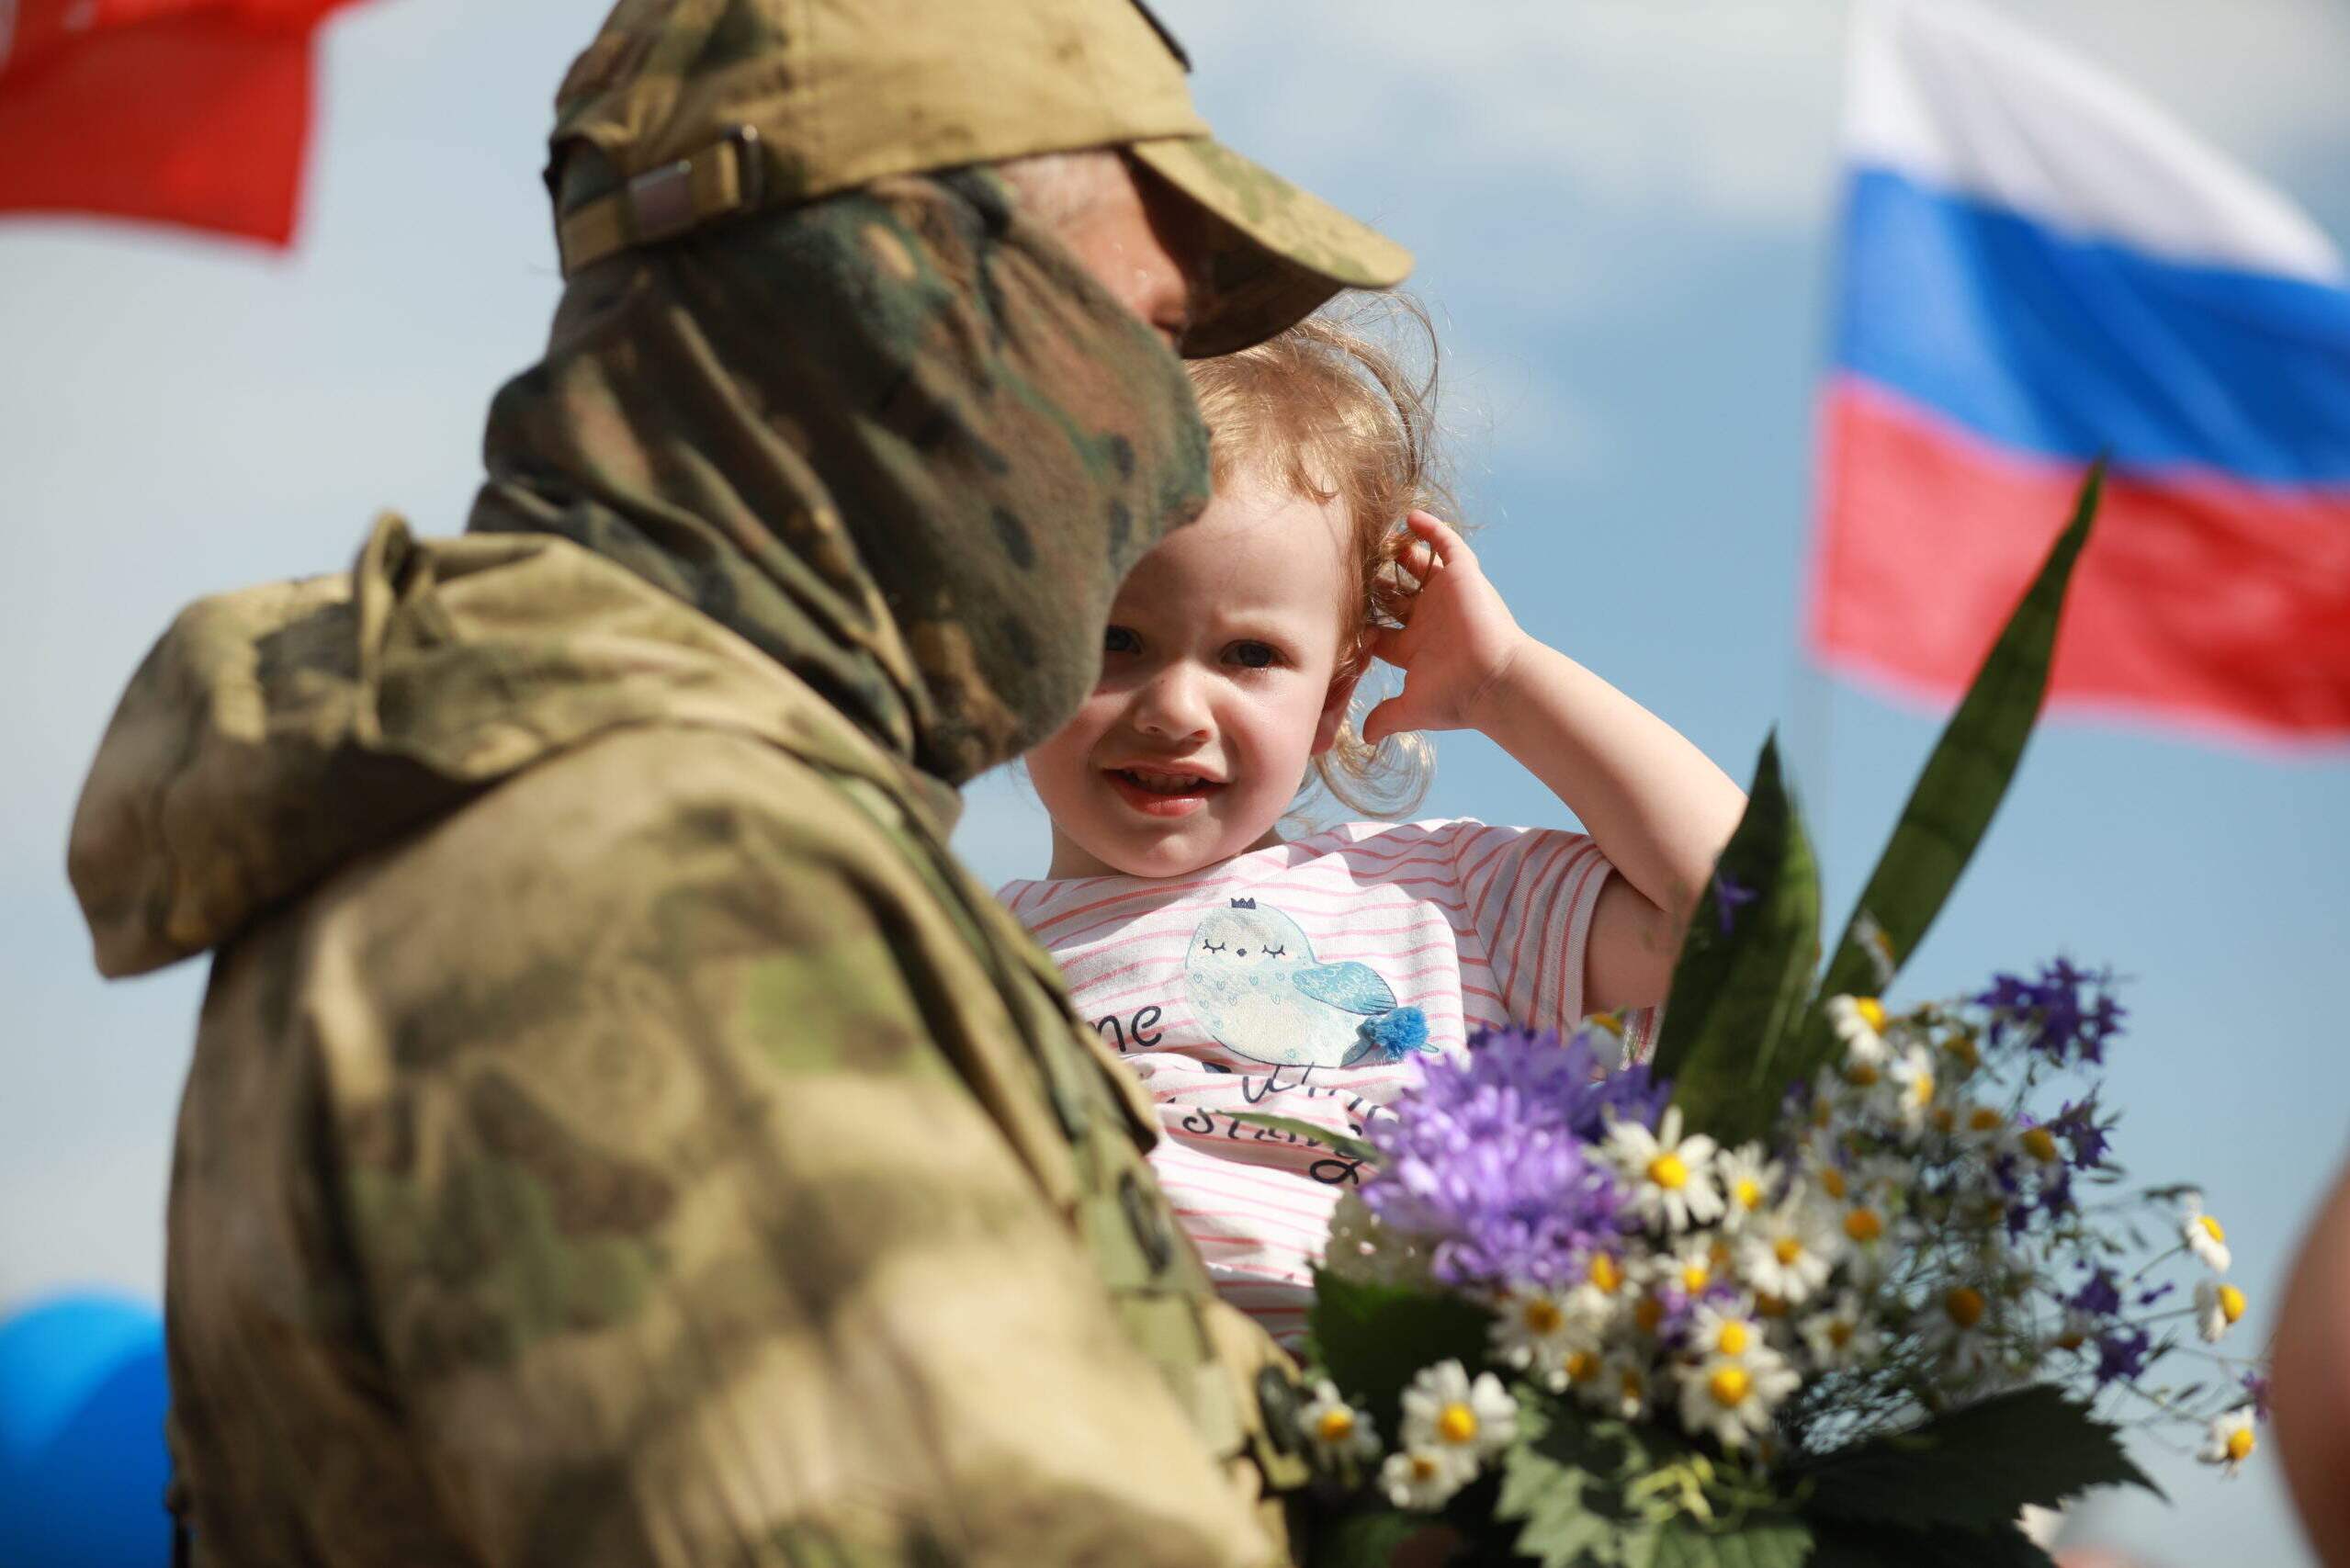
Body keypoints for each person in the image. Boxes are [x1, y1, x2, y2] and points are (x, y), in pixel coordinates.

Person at [64, 2, 1413, 1563]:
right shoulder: (633, 877)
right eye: (1145, 339)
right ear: (905, 293)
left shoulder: (654, 819)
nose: (1171, 462)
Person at [997, 314, 1748, 1343]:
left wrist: (1501, 684)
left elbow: (1744, 916)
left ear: (1338, 692)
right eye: (1116, 638)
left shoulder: (1443, 898)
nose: (1175, 709)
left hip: (1416, 1435)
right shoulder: (959, 960)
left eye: (1249, 655)